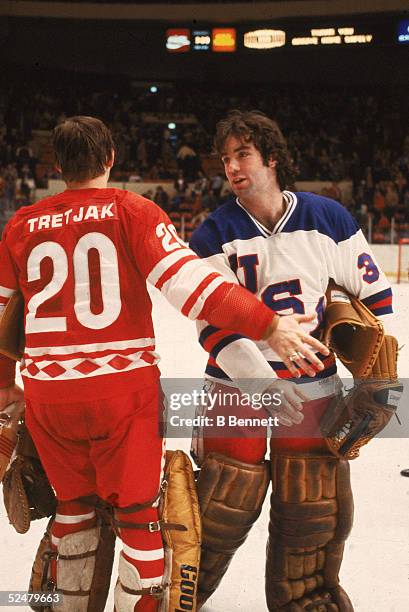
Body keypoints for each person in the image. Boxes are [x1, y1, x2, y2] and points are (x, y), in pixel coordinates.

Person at [0, 115, 329, 612]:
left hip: (49, 395)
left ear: (57, 164)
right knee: (138, 516)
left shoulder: (21, 225)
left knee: (72, 512)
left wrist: (6, 387)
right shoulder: (131, 210)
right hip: (122, 395)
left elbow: (1, 318)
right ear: (111, 159)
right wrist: (268, 325)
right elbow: (191, 287)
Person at [189, 110, 394, 611]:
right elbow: (210, 325)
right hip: (235, 385)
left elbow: (375, 299)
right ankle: (179, 596)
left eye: (243, 154)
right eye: (226, 158)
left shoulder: (329, 218)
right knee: (220, 504)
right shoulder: (212, 232)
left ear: (272, 157)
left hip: (312, 384)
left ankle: (306, 600)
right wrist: (261, 381)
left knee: (312, 509)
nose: (232, 166)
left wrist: (373, 378)